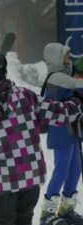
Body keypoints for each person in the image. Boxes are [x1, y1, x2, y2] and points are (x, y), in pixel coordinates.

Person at [0, 49, 83, 225]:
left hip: (3, 183)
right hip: (31, 177)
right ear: (3, 71)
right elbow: (58, 113)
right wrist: (78, 103)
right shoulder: (25, 97)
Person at [39, 43, 83, 225]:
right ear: (56, 59)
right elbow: (78, 86)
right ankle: (47, 212)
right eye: (65, 57)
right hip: (60, 129)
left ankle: (66, 208)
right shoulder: (56, 77)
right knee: (62, 169)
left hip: (71, 128)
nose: (69, 60)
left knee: (75, 168)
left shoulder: (63, 76)